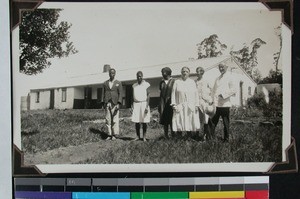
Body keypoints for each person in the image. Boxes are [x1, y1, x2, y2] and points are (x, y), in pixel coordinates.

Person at [210, 63, 236, 142]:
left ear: (226, 67)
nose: (221, 69)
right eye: (220, 67)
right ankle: (211, 137)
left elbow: (233, 89)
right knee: (213, 121)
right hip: (216, 104)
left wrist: (224, 95)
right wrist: (212, 101)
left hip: (225, 104)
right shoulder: (217, 78)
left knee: (225, 122)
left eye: (222, 67)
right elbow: (213, 91)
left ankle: (226, 139)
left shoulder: (230, 77)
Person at [171, 66, 200, 137]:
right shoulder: (177, 82)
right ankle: (179, 136)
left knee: (189, 120)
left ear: (189, 73)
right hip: (180, 104)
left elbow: (196, 94)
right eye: (183, 71)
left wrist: (196, 105)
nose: (185, 73)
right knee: (179, 120)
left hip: (190, 105)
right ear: (181, 73)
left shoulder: (192, 82)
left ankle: (189, 136)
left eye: (186, 71)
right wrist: (173, 104)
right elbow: (173, 93)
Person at [103, 68, 123, 140]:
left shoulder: (118, 83)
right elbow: (104, 93)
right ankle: (109, 134)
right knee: (108, 119)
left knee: (115, 119)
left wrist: (119, 103)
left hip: (115, 103)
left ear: (115, 74)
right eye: (111, 73)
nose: (112, 74)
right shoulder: (105, 83)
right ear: (109, 74)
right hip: (107, 102)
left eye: (113, 73)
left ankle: (115, 134)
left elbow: (120, 94)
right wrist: (104, 102)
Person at [195, 67, 214, 140]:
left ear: (202, 72)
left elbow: (212, 90)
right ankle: (197, 135)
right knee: (198, 119)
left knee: (206, 119)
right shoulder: (195, 82)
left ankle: (206, 136)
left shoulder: (206, 81)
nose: (197, 73)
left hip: (205, 102)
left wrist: (210, 99)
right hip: (197, 102)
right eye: (197, 71)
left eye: (199, 71)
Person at [131, 71, 151, 142]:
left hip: (144, 103)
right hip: (136, 104)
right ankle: (137, 136)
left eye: (140, 76)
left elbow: (148, 95)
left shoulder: (146, 84)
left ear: (142, 76)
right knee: (137, 121)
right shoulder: (134, 85)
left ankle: (144, 137)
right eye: (138, 76)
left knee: (144, 121)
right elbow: (132, 97)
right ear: (136, 77)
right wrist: (132, 106)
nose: (139, 77)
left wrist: (147, 106)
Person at [159, 67, 176, 139]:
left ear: (169, 73)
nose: (163, 74)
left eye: (164, 72)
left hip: (171, 101)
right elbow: (161, 93)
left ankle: (173, 135)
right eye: (162, 72)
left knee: (172, 118)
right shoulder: (161, 82)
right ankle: (166, 135)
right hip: (163, 102)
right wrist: (160, 104)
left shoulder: (174, 81)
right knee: (165, 119)